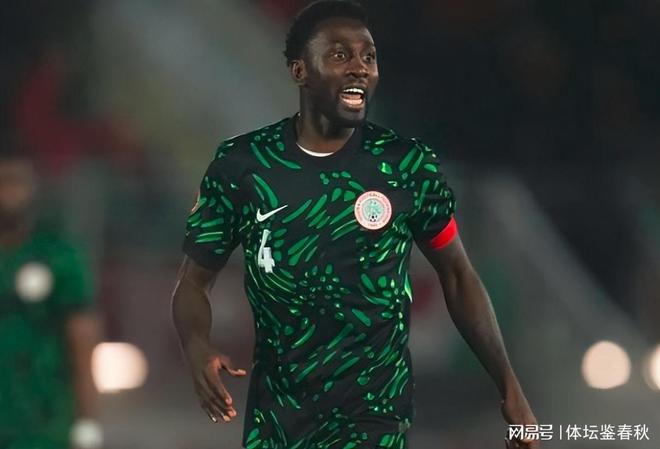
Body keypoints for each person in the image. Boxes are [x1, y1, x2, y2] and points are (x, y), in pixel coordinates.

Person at [172, 1, 539, 448]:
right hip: (278, 423)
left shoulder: (406, 166)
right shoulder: (243, 165)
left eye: (369, 56)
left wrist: (510, 389)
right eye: (340, 55)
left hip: (375, 417)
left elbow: (458, 275)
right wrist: (196, 345)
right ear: (300, 71)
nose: (360, 68)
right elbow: (192, 283)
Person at [0, 147, 102, 449]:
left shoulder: (57, 256)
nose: (7, 194)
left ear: (33, 187)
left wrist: (87, 420)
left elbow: (81, 339)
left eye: (15, 182)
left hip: (42, 420)